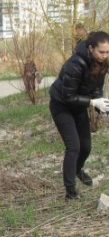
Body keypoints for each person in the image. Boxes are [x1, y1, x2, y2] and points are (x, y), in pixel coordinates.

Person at [49, 31, 109, 200]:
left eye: (108, 52)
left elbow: (96, 89)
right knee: (73, 147)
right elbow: (68, 97)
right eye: (102, 52)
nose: (105, 56)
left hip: (79, 106)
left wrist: (102, 108)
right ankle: (70, 193)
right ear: (90, 48)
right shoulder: (75, 64)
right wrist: (92, 103)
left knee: (86, 147)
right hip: (61, 105)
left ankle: (76, 170)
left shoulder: (101, 64)